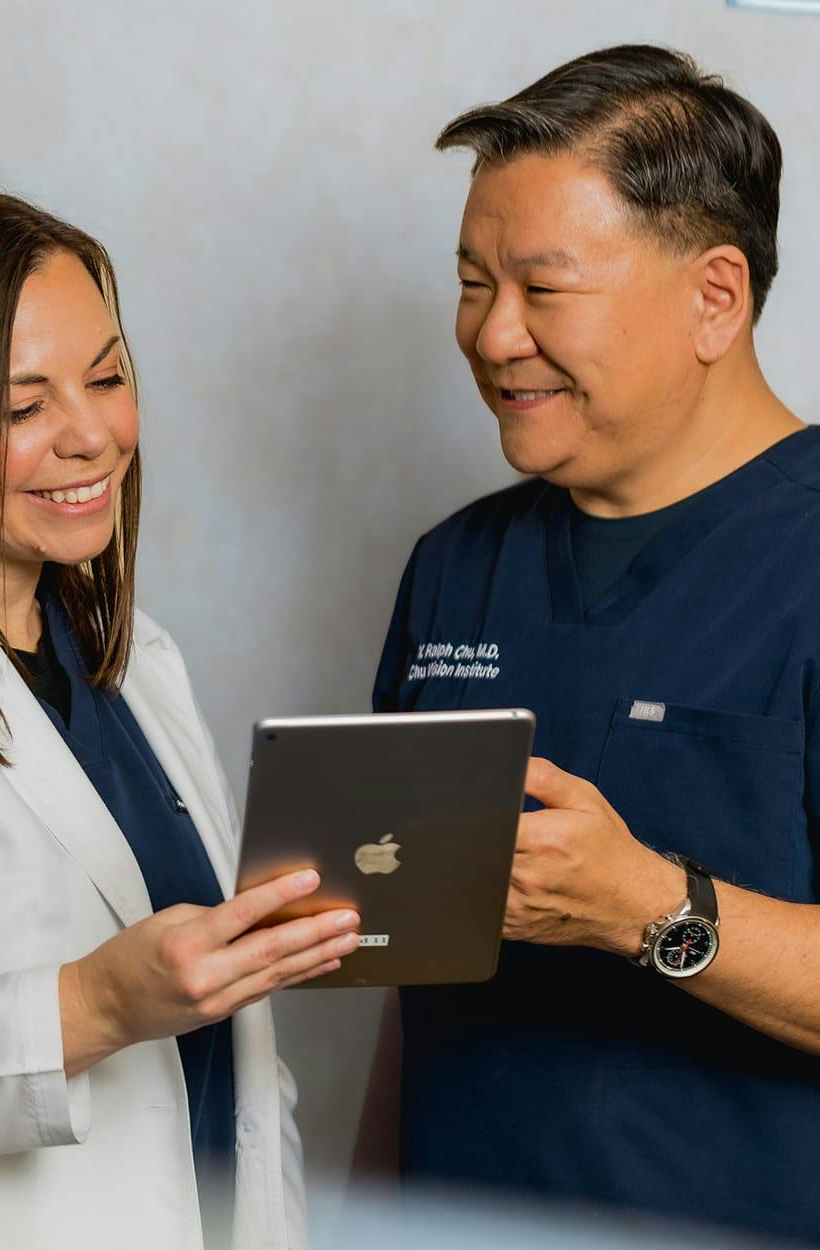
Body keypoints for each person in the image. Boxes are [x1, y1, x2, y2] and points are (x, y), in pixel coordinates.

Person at [0, 188, 360, 1250]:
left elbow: (242, 1076)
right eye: (22, 409)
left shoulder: (134, 659)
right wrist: (93, 1006)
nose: (93, 435)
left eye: (108, 376)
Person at [369, 45, 820, 1243]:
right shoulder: (454, 569)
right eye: (471, 282)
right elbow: (400, 959)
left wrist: (649, 909)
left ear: (712, 298)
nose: (492, 334)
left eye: (543, 287)